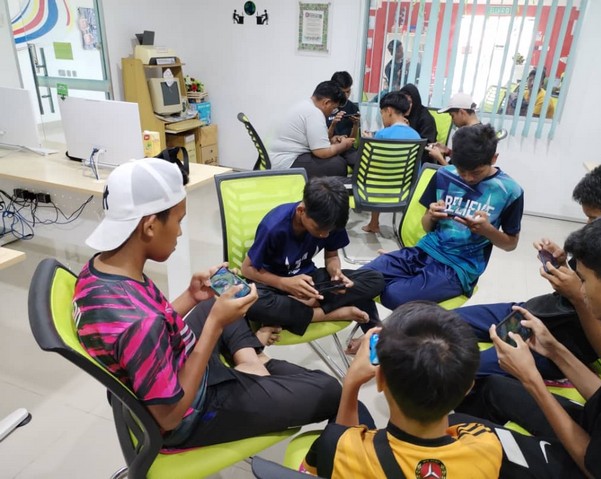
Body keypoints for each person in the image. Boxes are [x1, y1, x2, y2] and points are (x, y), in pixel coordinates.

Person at [73, 158, 342, 449]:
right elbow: (169, 418)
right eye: (178, 221)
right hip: (192, 409)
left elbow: (151, 328)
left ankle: (251, 363)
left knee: (217, 301)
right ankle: (251, 365)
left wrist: (191, 296)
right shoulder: (141, 324)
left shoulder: (98, 271)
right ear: (149, 226)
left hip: (174, 359)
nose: (179, 232)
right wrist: (214, 325)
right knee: (330, 390)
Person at [460, 210, 601, 478]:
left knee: (468, 438)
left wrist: (531, 380)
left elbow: (598, 469)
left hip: (595, 465)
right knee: (490, 387)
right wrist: (554, 350)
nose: (581, 290)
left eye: (584, 281)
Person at [455, 157, 601, 379]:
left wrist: (577, 297)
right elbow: (579, 283)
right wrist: (561, 266)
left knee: (459, 368)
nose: (588, 227)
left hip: (559, 343)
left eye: (594, 219)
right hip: (537, 312)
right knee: (439, 322)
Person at [303, 302, 505, 478]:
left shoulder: (335, 446)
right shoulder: (487, 445)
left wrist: (351, 383)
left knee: (355, 408)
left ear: (380, 380)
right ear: (468, 388)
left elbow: (338, 445)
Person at [362, 123, 524, 310]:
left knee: (393, 295)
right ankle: (370, 323)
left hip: (458, 268)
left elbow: (510, 244)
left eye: (476, 172)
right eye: (462, 171)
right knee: (363, 278)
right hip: (424, 251)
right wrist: (432, 216)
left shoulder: (510, 191)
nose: (468, 178)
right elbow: (426, 226)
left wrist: (487, 230)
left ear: (494, 158)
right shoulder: (444, 175)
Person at [242, 176, 385, 337]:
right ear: (301, 211)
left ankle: (294, 313)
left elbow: (331, 256)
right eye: (319, 229)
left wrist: (335, 273)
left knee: (375, 279)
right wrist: (285, 284)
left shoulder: (331, 221)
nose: (325, 235)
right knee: (253, 304)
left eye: (329, 231)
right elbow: (247, 269)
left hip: (310, 281)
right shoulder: (274, 227)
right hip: (274, 283)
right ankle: (331, 314)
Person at [269, 81, 357, 178]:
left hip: (278, 158)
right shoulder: (314, 113)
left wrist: (332, 141)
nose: (333, 112)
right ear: (326, 103)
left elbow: (317, 141)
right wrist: (344, 145)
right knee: (338, 165)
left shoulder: (305, 105)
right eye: (334, 108)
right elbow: (322, 152)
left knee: (336, 162)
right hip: (286, 163)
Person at [361, 91, 420, 234]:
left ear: (388, 111)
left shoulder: (382, 134)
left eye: (381, 113)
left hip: (379, 188)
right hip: (407, 189)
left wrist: (369, 142)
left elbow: (373, 164)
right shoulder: (416, 135)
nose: (382, 117)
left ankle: (373, 223)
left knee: (376, 176)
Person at [427, 92, 480, 165]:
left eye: (452, 116)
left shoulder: (468, 137)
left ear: (462, 112)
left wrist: (439, 158)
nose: (452, 120)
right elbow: (465, 160)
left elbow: (457, 172)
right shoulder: (481, 131)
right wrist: (448, 151)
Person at [399, 83, 437, 164]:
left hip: (421, 160)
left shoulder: (426, 119)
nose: (406, 106)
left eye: (409, 102)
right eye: (403, 102)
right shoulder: (399, 114)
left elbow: (426, 146)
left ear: (415, 102)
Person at [327, 71, 360, 139]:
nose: (346, 96)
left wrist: (356, 124)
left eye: (348, 91)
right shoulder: (326, 106)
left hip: (346, 144)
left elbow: (352, 139)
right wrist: (333, 124)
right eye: (342, 92)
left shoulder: (353, 108)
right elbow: (322, 138)